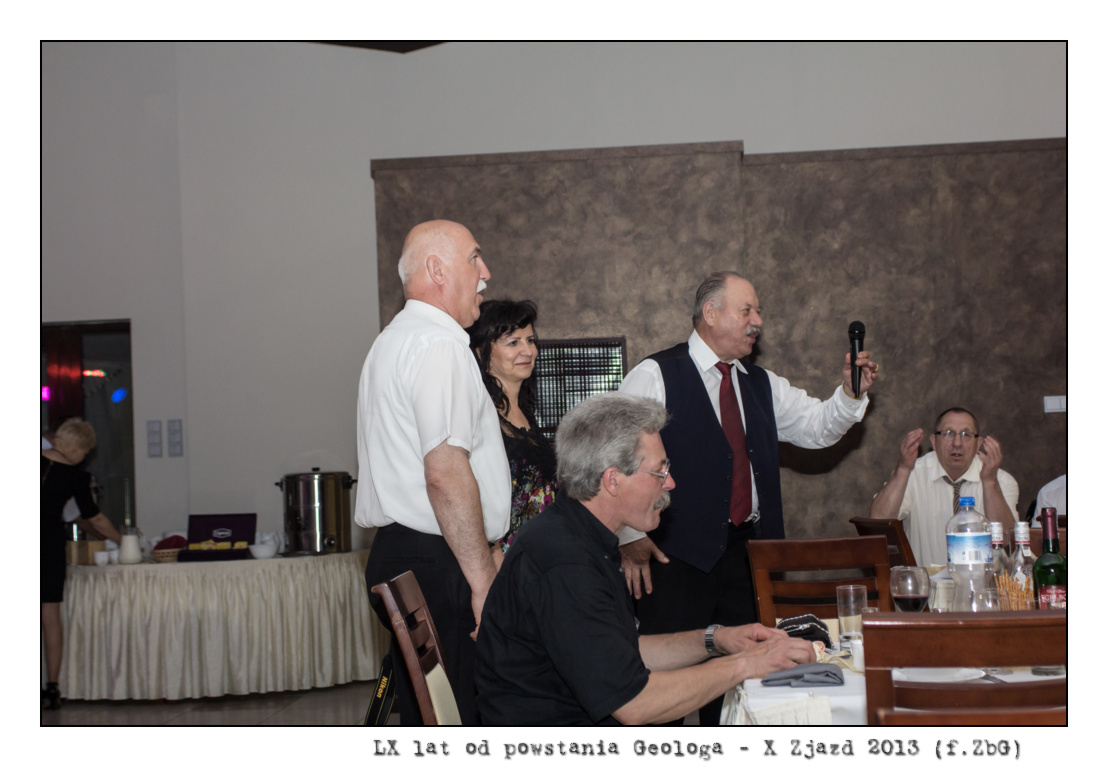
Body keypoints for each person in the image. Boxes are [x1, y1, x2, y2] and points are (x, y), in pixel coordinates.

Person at [617, 271, 878, 726]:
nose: (758, 321)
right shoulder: (655, 374)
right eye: (747, 310)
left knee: (744, 683)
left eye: (758, 311)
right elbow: (617, 457)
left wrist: (851, 395)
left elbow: (817, 428)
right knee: (665, 693)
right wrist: (628, 535)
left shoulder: (761, 383)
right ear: (710, 313)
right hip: (675, 558)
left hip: (747, 558)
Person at [475, 393, 815, 725]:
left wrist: (716, 640)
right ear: (612, 480)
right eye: (659, 472)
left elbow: (622, 653)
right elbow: (634, 703)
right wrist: (749, 664)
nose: (671, 483)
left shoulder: (580, 534)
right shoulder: (565, 562)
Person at [355, 220, 511, 726]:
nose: (486, 273)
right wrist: (483, 581)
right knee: (461, 715)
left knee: (432, 717)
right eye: (474, 258)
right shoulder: (438, 344)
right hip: (440, 560)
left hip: (409, 553)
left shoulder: (392, 341)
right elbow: (444, 472)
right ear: (438, 270)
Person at [868, 407, 1019, 565]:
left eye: (966, 435)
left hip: (983, 579)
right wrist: (903, 469)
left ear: (978, 443)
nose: (957, 443)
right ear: (934, 441)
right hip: (926, 580)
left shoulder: (1001, 480)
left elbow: (1007, 540)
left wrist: (990, 483)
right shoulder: (912, 474)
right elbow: (877, 522)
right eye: (948, 433)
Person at [41, 418, 122, 710]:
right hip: (47, 544)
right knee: (50, 614)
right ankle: (52, 687)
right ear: (76, 447)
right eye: (86, 451)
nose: (85, 457)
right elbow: (94, 518)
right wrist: (122, 540)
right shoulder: (76, 477)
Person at [467, 299, 556, 560]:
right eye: (513, 342)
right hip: (502, 562)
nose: (528, 351)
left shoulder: (527, 413)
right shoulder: (477, 416)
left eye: (530, 340)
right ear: (481, 352)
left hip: (541, 558)